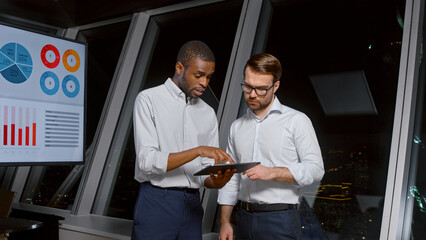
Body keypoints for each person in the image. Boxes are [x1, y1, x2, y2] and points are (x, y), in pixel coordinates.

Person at [132, 40, 235, 240]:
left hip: (193, 206)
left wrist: (217, 182)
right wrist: (198, 151)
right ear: (179, 68)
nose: (204, 83)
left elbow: (202, 174)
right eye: (198, 75)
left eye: (209, 77)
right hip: (156, 202)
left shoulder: (208, 113)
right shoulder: (148, 99)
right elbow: (146, 162)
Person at [217, 53, 325, 240]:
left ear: (276, 86)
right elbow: (231, 178)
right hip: (242, 219)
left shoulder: (296, 121)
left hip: (280, 220)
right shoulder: (237, 127)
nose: (252, 94)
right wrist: (225, 222)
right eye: (248, 86)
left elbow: (316, 170)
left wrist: (271, 172)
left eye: (261, 89)